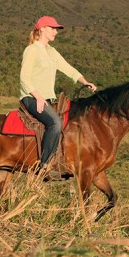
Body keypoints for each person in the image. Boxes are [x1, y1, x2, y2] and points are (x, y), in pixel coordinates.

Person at [20, 16, 96, 180]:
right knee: (55, 122)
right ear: (42, 29)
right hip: (31, 97)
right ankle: (43, 167)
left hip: (47, 99)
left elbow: (67, 68)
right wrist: (38, 97)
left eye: (56, 29)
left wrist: (84, 81)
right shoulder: (32, 50)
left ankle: (61, 161)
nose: (56, 31)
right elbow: (24, 78)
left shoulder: (51, 51)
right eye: (53, 28)